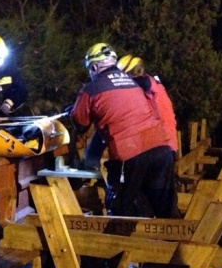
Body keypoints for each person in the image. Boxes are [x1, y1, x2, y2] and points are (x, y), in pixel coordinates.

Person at [70, 42, 178, 218]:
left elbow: (80, 124)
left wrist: (74, 111)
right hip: (162, 149)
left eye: (90, 69)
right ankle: (175, 243)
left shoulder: (91, 89)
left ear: (95, 66)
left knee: (122, 211)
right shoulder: (134, 83)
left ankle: (119, 244)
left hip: (130, 154)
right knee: (165, 211)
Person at [117, 54, 179, 153]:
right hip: (165, 145)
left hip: (159, 146)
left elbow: (142, 82)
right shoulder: (154, 86)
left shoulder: (146, 83)